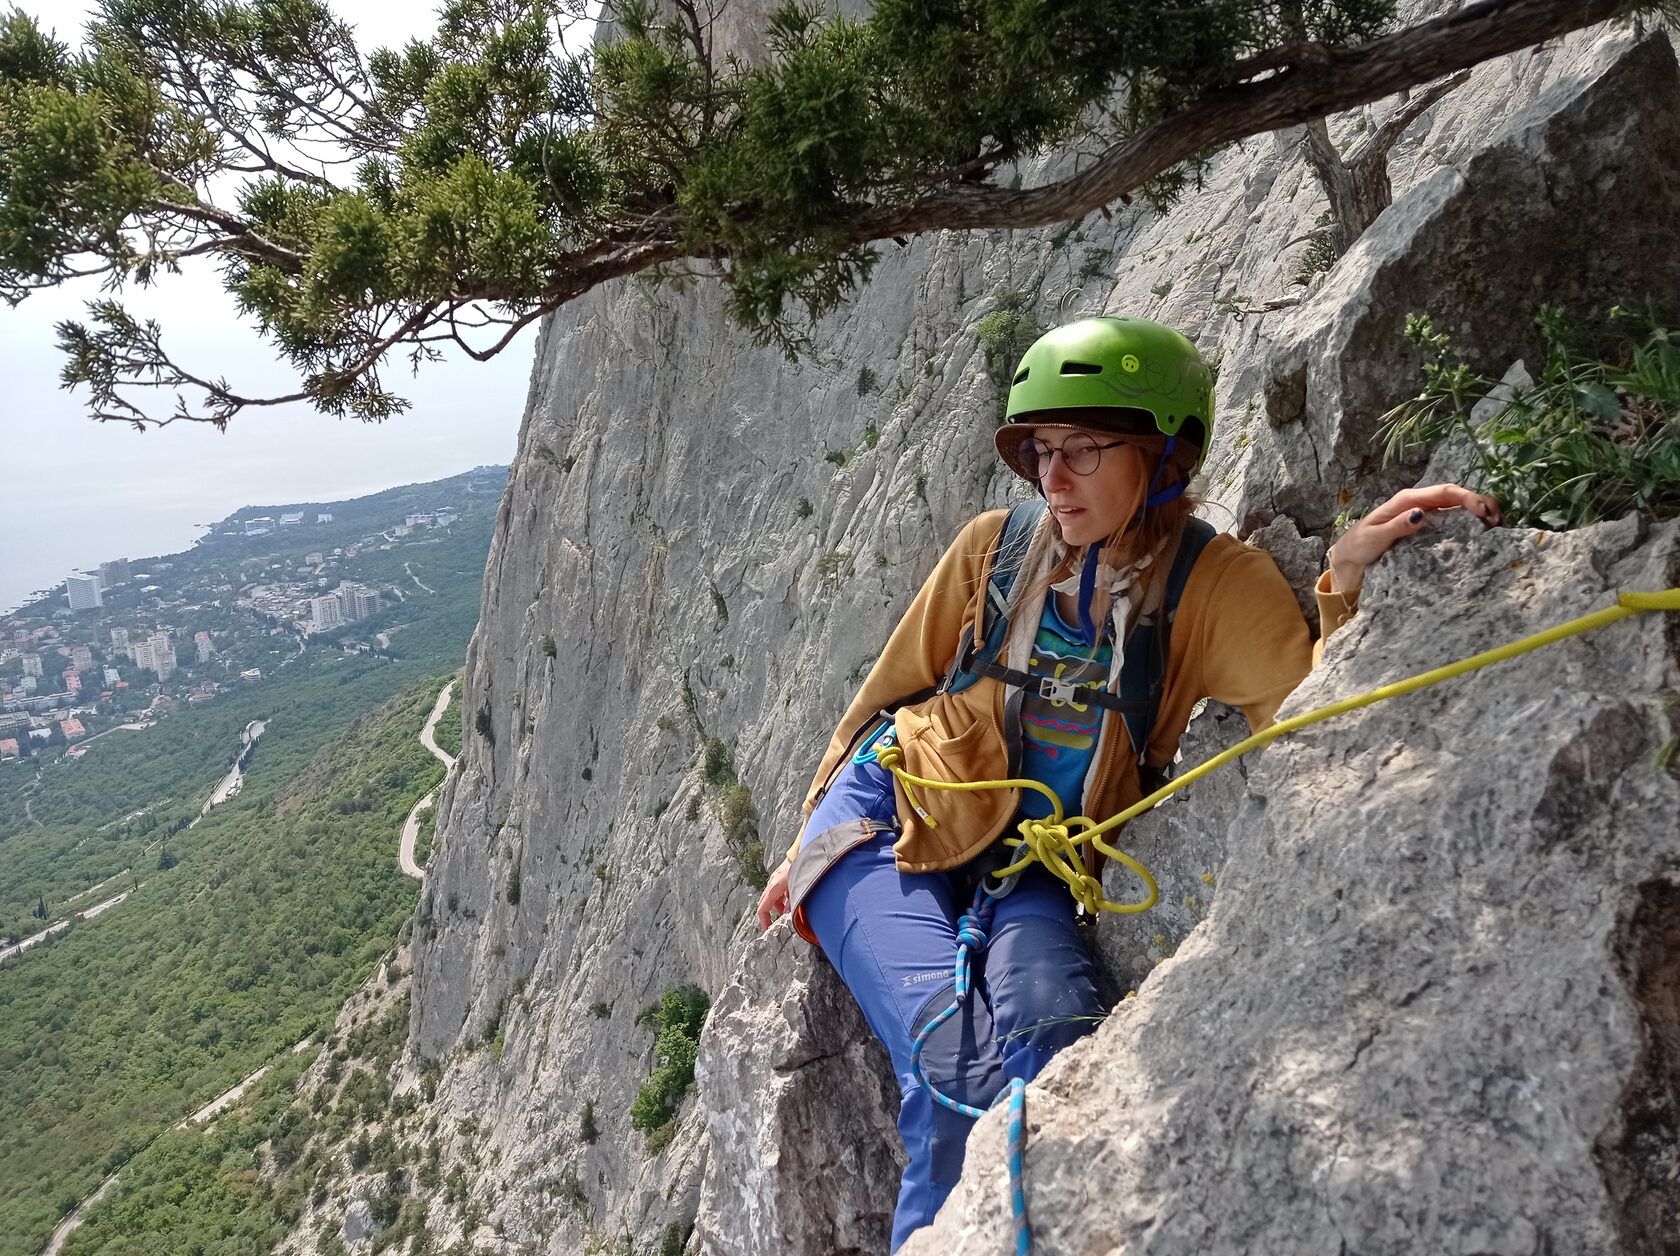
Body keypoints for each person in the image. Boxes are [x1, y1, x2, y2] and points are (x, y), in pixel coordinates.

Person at [754, 315, 1499, 1251]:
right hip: (894, 808)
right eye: (1041, 452)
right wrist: (807, 841)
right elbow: (891, 693)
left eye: (1083, 450)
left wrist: (1343, 581)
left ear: (1165, 453)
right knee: (952, 1067)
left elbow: (1309, 718)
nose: (1051, 477)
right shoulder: (995, 547)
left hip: (1038, 863)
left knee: (1055, 1046)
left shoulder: (1214, 584)